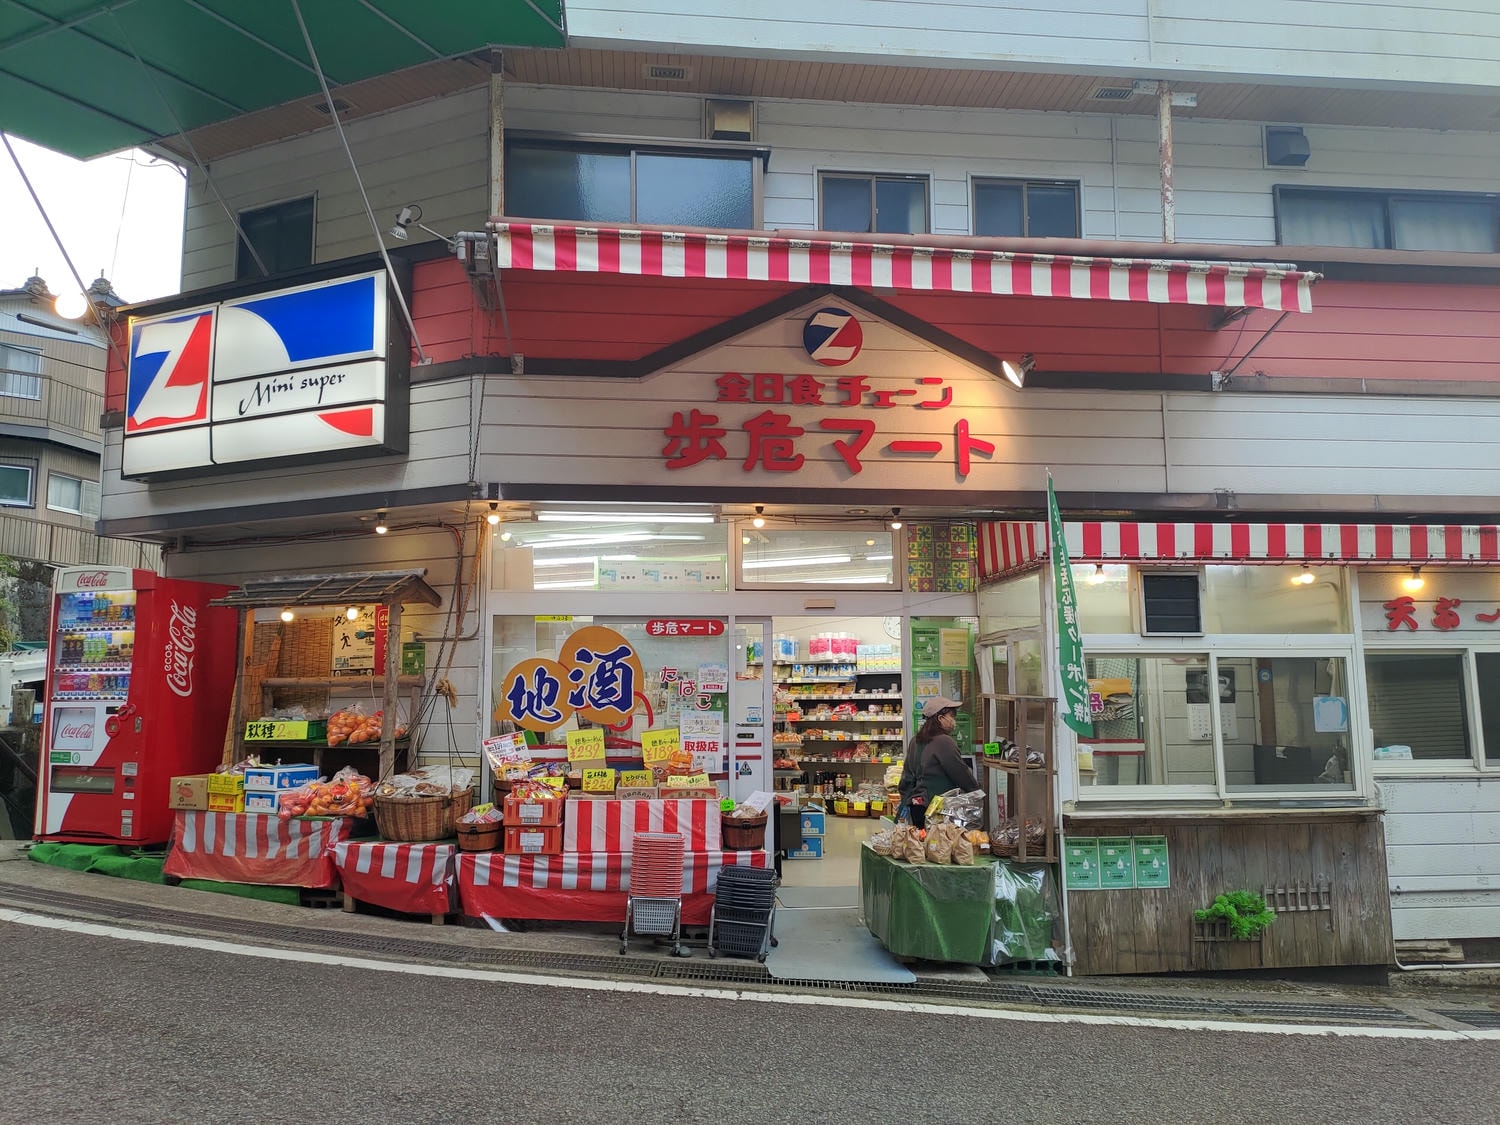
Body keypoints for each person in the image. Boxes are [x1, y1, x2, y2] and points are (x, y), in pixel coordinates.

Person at [897, 695, 978, 829]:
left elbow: (907, 776)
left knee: (922, 845)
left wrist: (906, 799)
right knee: (940, 847)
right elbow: (960, 772)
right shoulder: (944, 741)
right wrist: (976, 791)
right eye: (952, 716)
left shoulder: (916, 740)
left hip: (917, 805)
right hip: (938, 809)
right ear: (940, 718)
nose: (954, 720)